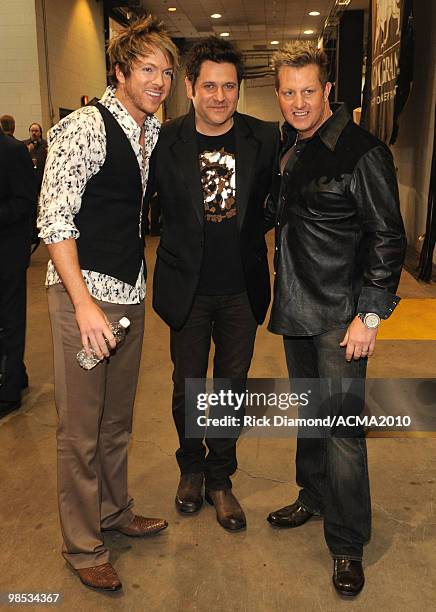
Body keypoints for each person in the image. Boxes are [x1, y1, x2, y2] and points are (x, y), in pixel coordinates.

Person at [37, 16, 179, 591]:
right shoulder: (83, 128)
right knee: (80, 430)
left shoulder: (149, 130)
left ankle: (116, 513)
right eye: (148, 70)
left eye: (167, 72)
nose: (160, 81)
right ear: (119, 71)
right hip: (86, 297)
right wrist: (83, 305)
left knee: (116, 421)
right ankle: (81, 544)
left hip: (129, 293)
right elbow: (54, 219)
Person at [265, 42, 406, 596]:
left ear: (328, 91)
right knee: (310, 415)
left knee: (343, 430)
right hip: (297, 310)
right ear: (279, 95)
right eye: (289, 92)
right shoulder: (291, 146)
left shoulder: (362, 151)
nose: (299, 102)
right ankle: (314, 495)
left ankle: (347, 545)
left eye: (308, 91)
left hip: (341, 317)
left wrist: (369, 315)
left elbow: (387, 238)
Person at [150, 36, 280, 531]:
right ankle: (191, 468)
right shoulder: (165, 141)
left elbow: (274, 202)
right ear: (190, 86)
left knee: (230, 387)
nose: (220, 96)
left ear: (239, 89)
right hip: (188, 290)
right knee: (188, 388)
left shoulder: (264, 138)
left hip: (240, 292)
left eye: (229, 86)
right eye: (209, 86)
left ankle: (221, 478)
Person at [0, 129, 36, 418]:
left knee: (10, 322)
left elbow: (25, 202)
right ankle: (17, 373)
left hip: (8, 254)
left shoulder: (12, 151)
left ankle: (9, 392)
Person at [23, 123, 47, 250]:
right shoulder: (24, 145)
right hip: (30, 180)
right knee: (32, 206)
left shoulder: (46, 145)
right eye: (32, 130)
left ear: (40, 132)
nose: (34, 133)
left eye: (36, 131)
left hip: (43, 180)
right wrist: (28, 151)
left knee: (44, 205)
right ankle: (33, 232)